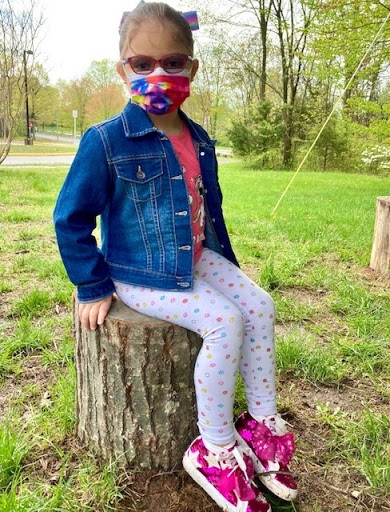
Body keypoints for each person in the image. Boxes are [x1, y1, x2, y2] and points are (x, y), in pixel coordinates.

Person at [53, 2, 298, 511]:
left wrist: (226, 265)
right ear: (123, 69)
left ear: (193, 68)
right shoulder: (106, 140)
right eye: (142, 64)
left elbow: (205, 209)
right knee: (224, 321)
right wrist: (93, 284)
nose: (158, 74)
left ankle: (261, 424)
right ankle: (214, 447)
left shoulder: (197, 137)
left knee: (259, 305)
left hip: (195, 255)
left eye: (173, 62)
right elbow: (70, 218)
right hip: (139, 271)